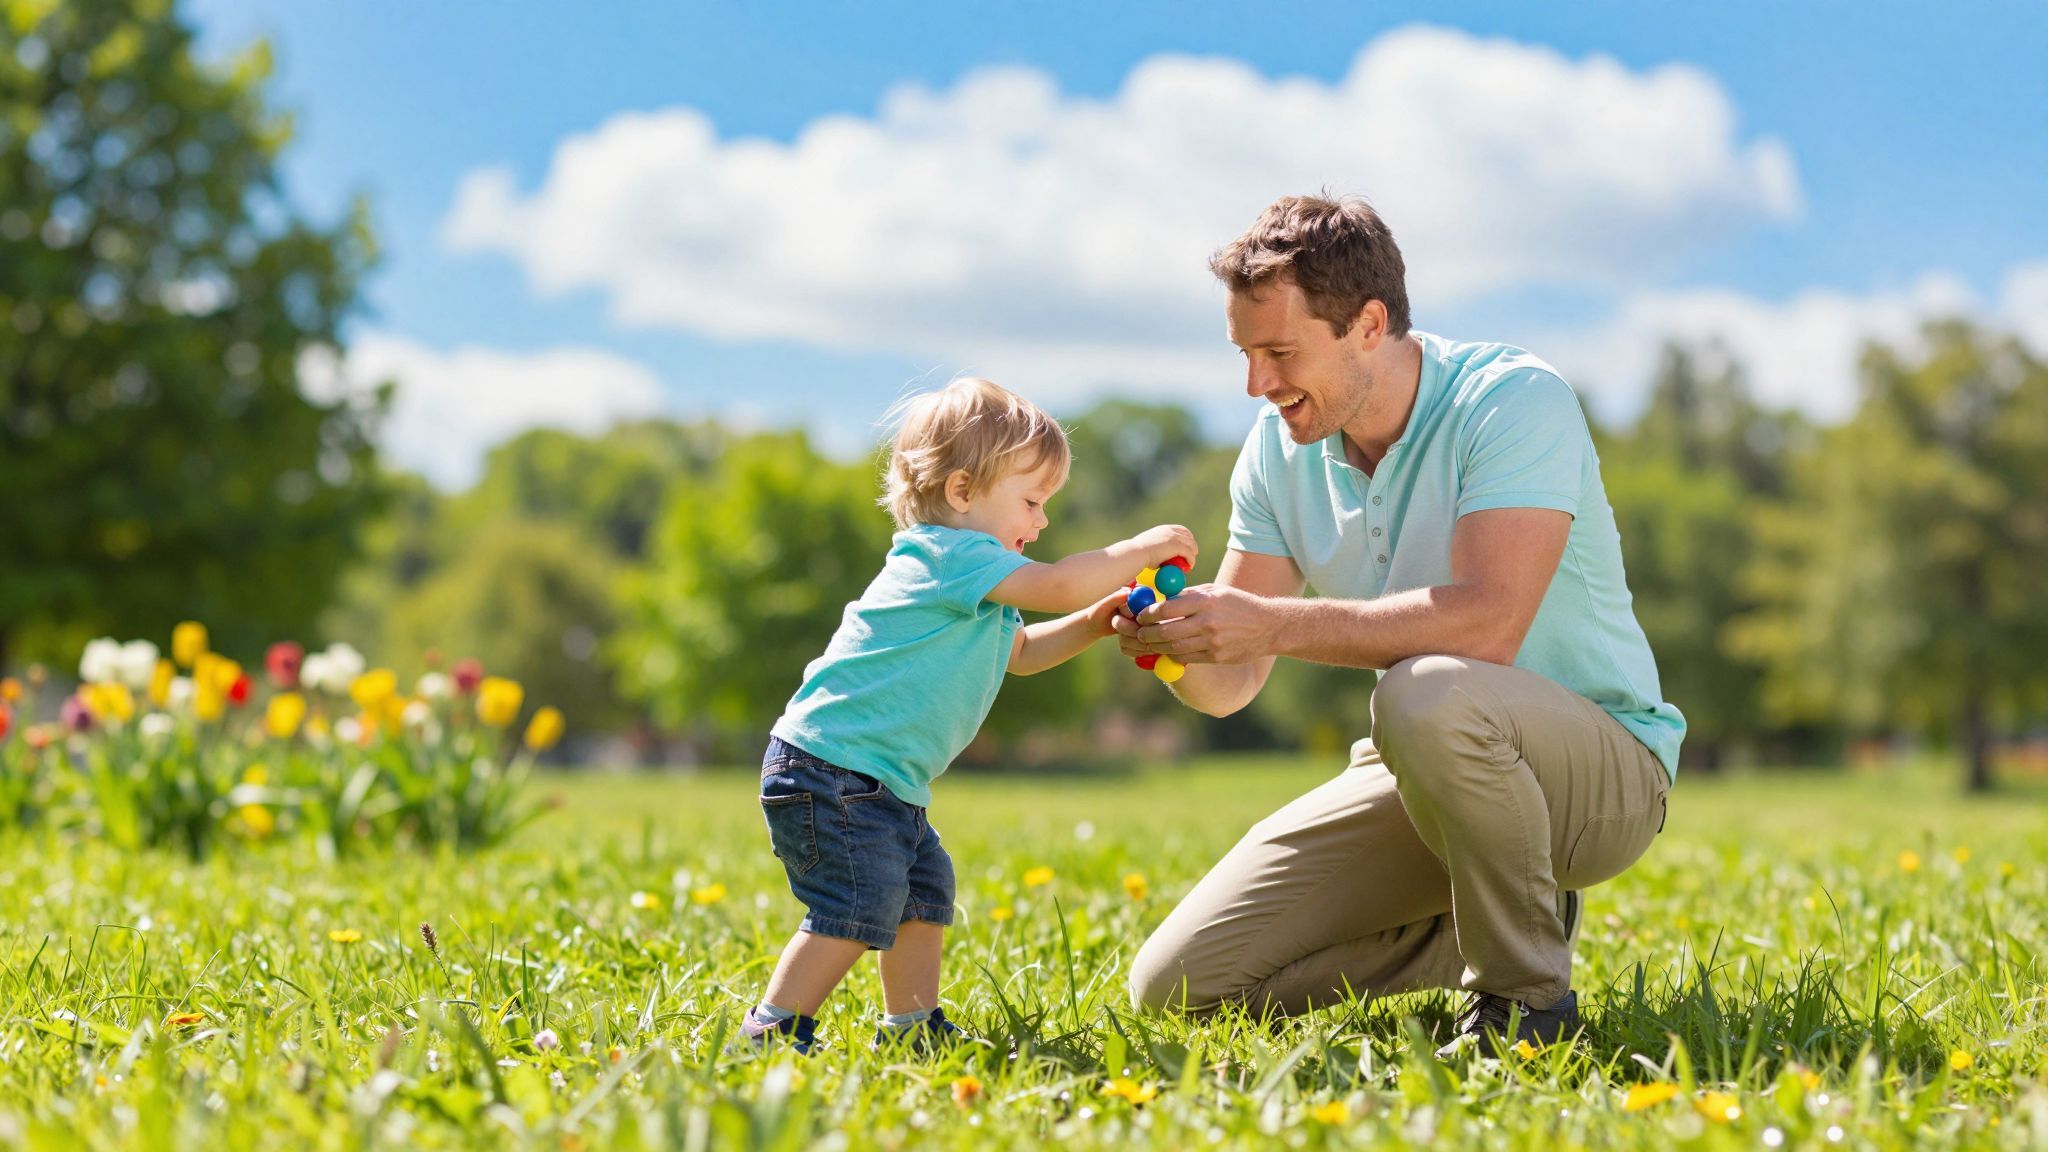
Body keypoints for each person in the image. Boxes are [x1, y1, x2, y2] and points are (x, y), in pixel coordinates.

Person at [1117, 194, 1685, 1056]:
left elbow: (1487, 624)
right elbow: (1231, 683)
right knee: (1178, 987)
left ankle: (1523, 1006)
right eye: (1244, 354)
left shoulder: (1512, 400)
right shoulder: (1276, 452)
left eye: (1279, 352)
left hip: (1599, 771)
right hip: (1426, 767)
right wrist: (1176, 644)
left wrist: (1267, 622)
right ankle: (1489, 922)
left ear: (1368, 324)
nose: (1257, 385)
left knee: (1425, 692)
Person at [743, 377, 1198, 1054]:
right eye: (1032, 501)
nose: (1041, 521)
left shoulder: (979, 584)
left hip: (878, 782)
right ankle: (773, 1028)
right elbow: (1061, 582)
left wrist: (1097, 624)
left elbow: (1019, 652)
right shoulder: (947, 555)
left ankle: (912, 1027)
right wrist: (1143, 547)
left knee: (924, 891)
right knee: (858, 905)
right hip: (832, 770)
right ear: (961, 493)